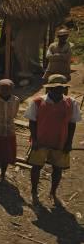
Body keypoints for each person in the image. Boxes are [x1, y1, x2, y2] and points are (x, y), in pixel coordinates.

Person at [25, 74, 81, 207]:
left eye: (61, 88)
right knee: (36, 167)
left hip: (60, 141)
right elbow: (32, 122)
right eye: (55, 88)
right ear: (49, 89)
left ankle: (53, 192)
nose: (58, 91)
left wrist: (69, 143)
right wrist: (35, 139)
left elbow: (72, 124)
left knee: (57, 168)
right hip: (41, 140)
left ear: (64, 89)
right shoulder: (38, 102)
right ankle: (34, 191)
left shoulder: (71, 103)